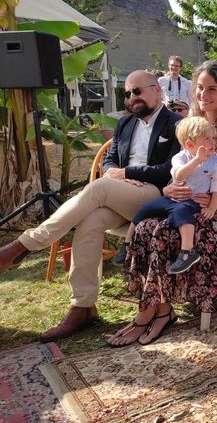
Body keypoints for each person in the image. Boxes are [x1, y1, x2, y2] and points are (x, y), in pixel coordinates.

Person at [0, 70, 182, 341]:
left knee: (98, 189)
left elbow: (171, 169)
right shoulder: (125, 124)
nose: (133, 98)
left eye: (138, 91)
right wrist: (114, 174)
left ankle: (24, 245)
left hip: (155, 196)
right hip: (120, 195)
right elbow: (109, 159)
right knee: (90, 221)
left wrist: (128, 174)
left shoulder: (176, 124)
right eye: (128, 93)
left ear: (157, 90)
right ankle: (83, 307)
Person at [107, 61, 217, 347]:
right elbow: (172, 168)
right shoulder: (189, 127)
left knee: (162, 233)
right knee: (144, 227)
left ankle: (150, 315)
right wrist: (170, 187)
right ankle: (157, 310)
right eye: (200, 88)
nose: (203, 95)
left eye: (212, 89)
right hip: (184, 205)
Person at [116, 116, 217, 273]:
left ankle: (187, 252)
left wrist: (212, 207)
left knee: (181, 212)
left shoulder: (216, 162)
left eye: (213, 138)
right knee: (145, 208)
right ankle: (127, 244)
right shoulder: (180, 157)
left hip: (193, 201)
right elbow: (179, 176)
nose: (212, 143)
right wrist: (196, 160)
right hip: (172, 198)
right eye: (207, 139)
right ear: (189, 144)